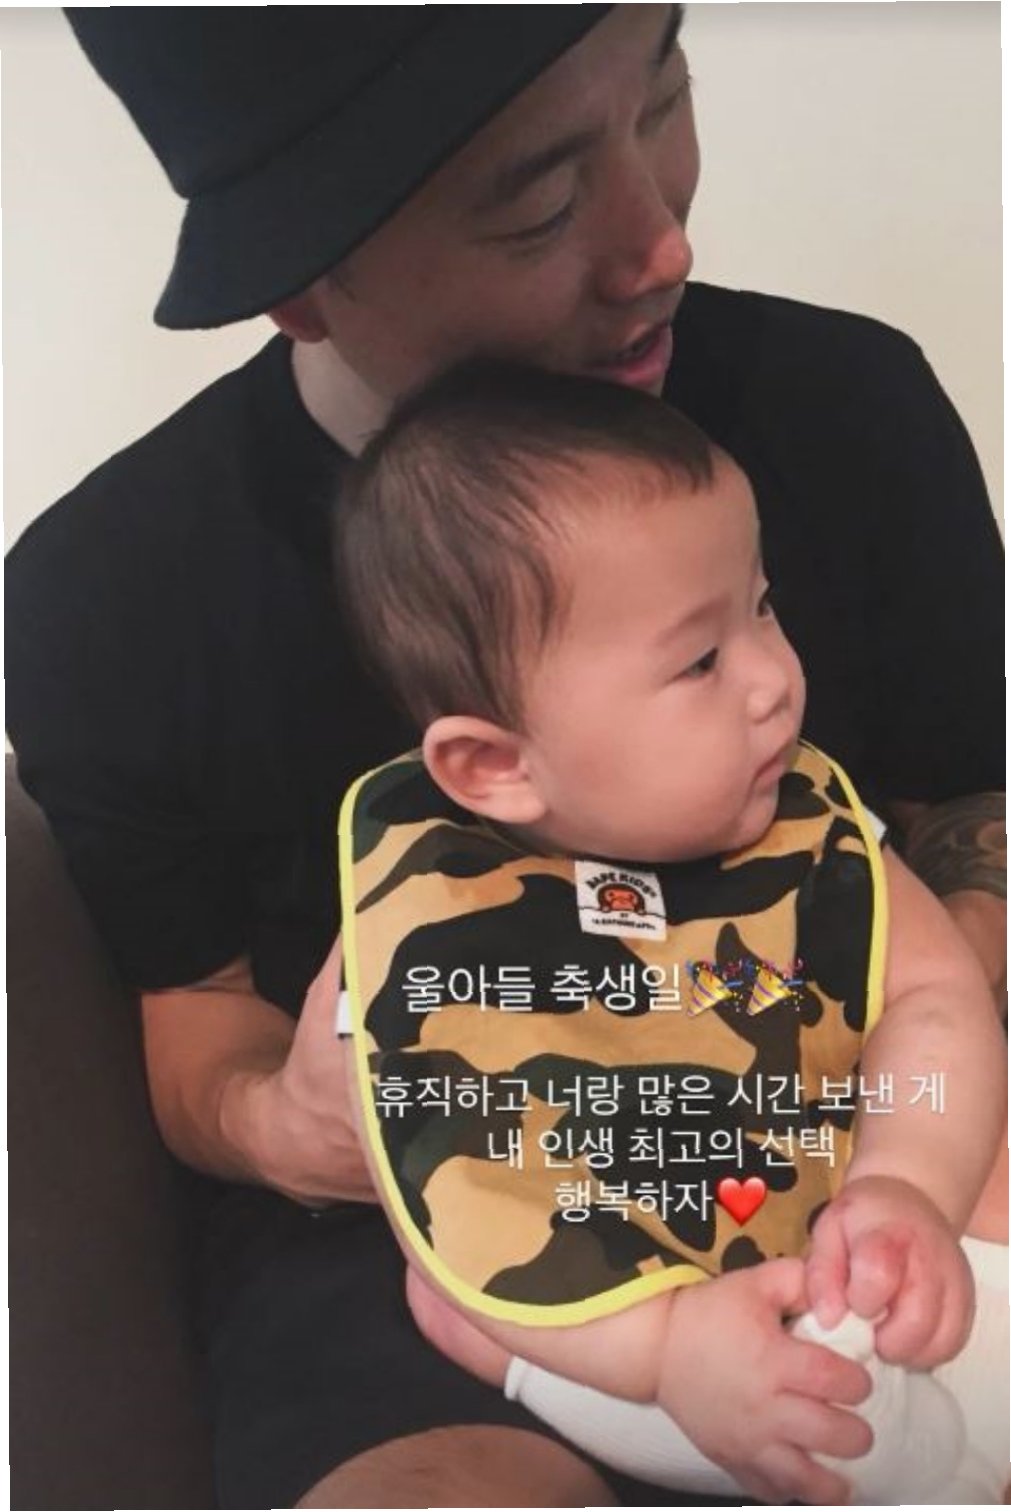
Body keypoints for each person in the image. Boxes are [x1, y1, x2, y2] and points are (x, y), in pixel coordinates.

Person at [5, 6, 1004, 1507]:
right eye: (538, 206)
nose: (659, 242)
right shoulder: (109, 590)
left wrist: (916, 1082)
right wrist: (289, 1124)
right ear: (302, 287)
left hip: (859, 1120)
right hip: (442, 1215)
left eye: (662, 97)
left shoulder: (846, 404)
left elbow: (965, 808)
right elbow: (193, 1012)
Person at [333, 359, 1009, 1505]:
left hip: (891, 1239)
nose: (773, 681)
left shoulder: (805, 823)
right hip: (680, 1330)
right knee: (450, 1293)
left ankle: (957, 1434)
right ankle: (876, 1457)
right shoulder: (439, 914)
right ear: (495, 765)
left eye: (762, 607)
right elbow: (461, 1172)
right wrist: (663, 1348)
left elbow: (935, 999)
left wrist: (907, 1188)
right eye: (700, 659)